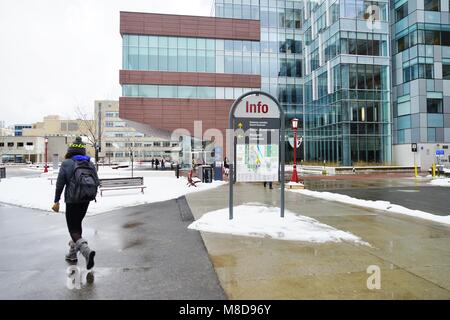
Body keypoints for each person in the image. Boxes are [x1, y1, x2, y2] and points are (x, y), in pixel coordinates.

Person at [52, 137, 99, 270]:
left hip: (72, 200)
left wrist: (56, 200)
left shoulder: (67, 163)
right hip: (86, 199)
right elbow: (96, 180)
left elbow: (60, 183)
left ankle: (86, 252)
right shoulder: (89, 163)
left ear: (70, 151)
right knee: (77, 226)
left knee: (73, 229)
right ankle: (72, 254)